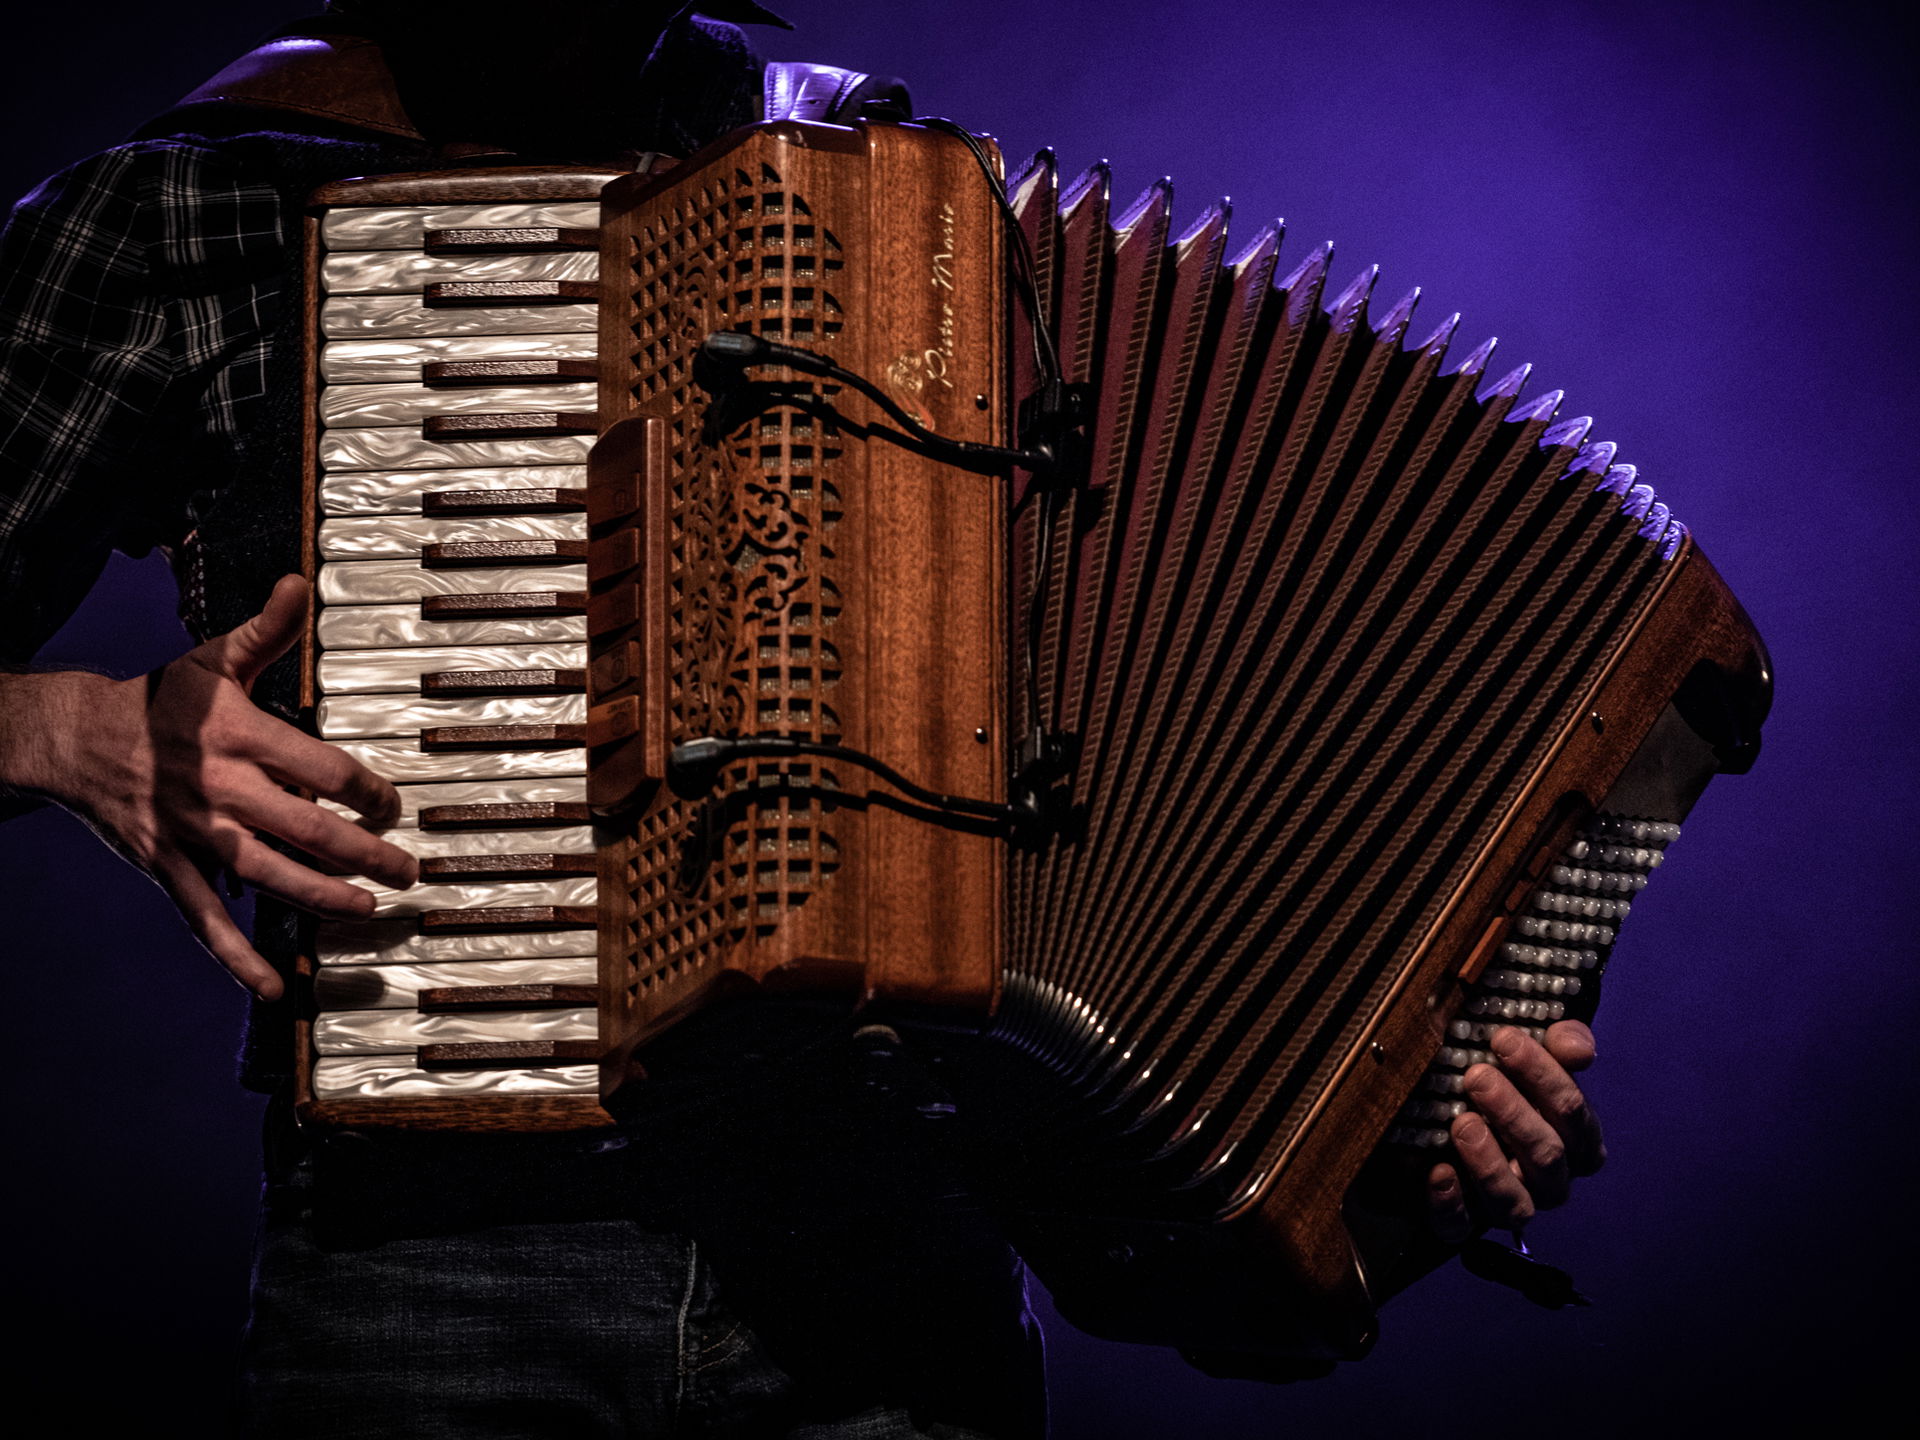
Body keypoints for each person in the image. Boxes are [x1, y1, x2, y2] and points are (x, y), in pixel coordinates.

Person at [0, 4, 1606, 1435]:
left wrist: (1390, 1116)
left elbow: (1125, 753)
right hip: (437, 1272)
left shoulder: (865, 176)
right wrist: (68, 730)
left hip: (888, 1263)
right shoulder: (191, 203)